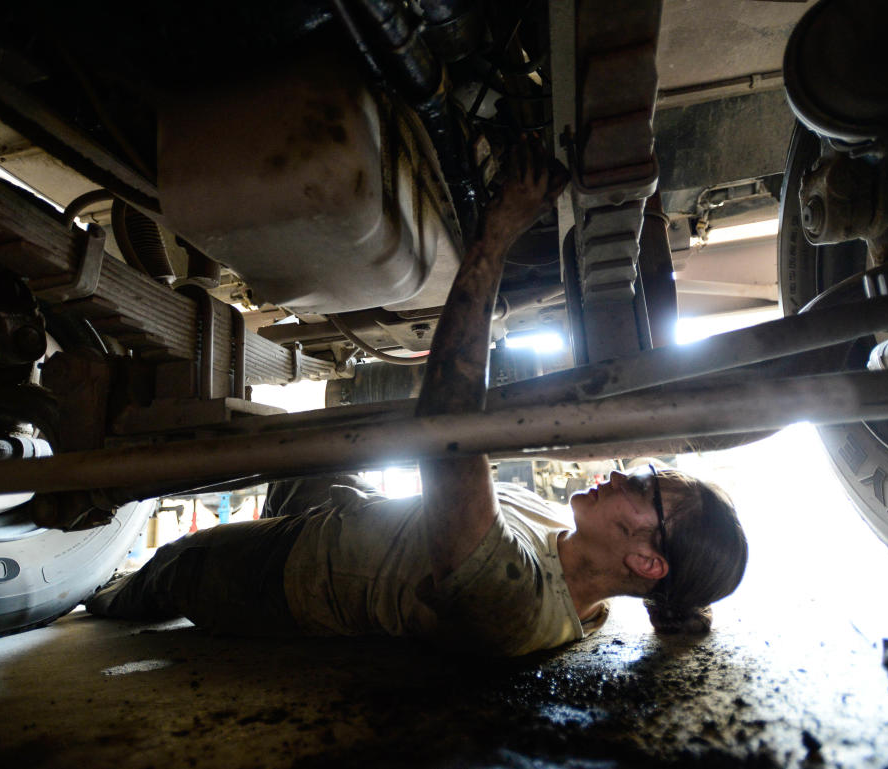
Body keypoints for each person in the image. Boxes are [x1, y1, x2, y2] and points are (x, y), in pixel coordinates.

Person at [87, 139, 748, 654]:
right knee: (281, 434)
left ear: (645, 558)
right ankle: (184, 274)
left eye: (645, 480)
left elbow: (447, 436)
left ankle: (87, 594)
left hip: (298, 574)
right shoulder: (577, 558)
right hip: (352, 513)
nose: (621, 470)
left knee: (173, 568)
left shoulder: (519, 608)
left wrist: (499, 231)